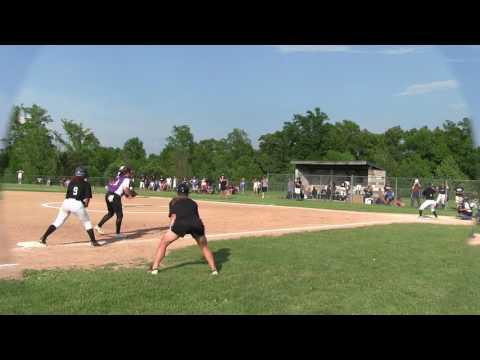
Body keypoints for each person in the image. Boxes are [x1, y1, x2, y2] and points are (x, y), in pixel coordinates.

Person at [149, 183, 218, 276]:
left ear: (177, 192)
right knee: (204, 246)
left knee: (163, 243)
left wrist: (171, 229)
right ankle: (214, 270)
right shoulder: (193, 203)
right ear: (187, 192)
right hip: (196, 225)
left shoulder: (173, 201)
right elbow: (196, 217)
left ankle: (154, 268)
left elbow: (173, 217)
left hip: (181, 224)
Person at [39, 167, 100, 247]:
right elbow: (87, 199)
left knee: (58, 222)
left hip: (66, 202)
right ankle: (93, 241)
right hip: (77, 204)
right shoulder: (86, 184)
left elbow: (68, 194)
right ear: (84, 175)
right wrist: (85, 205)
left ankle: (44, 237)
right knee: (87, 222)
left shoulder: (71, 182)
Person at [95, 165, 135, 240]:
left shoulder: (119, 177)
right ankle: (117, 233)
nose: (131, 174)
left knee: (110, 213)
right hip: (115, 197)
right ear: (127, 172)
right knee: (120, 216)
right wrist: (130, 195)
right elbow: (126, 189)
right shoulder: (127, 179)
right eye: (130, 172)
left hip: (108, 194)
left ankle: (98, 226)